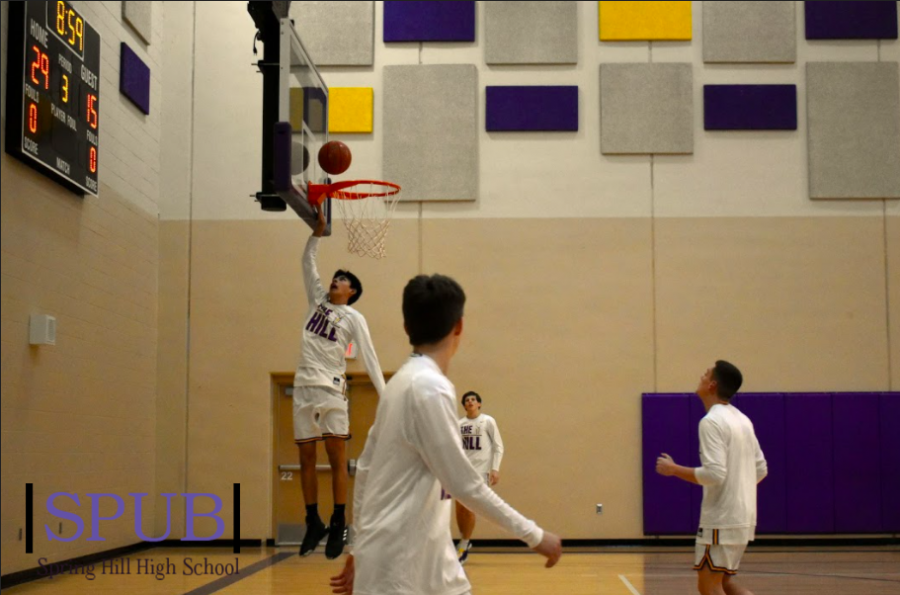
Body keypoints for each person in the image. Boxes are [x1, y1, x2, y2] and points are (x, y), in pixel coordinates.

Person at [331, 274, 561, 595]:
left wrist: (357, 547)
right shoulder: (429, 387)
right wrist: (535, 535)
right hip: (398, 569)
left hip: (430, 562)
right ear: (459, 327)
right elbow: (464, 484)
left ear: (406, 327)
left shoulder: (399, 384)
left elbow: (366, 470)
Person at [295, 205, 386, 559]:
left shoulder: (354, 317)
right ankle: (312, 520)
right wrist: (316, 232)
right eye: (335, 277)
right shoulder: (316, 301)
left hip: (332, 389)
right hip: (303, 387)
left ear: (352, 292)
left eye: (343, 280)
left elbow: (372, 356)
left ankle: (337, 522)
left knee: (336, 458)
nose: (336, 280)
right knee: (305, 457)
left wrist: (386, 395)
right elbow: (307, 262)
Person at [656, 361, 767, 595]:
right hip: (743, 518)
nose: (701, 376)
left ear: (712, 385)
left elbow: (715, 474)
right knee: (725, 584)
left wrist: (674, 469)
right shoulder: (742, 419)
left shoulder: (711, 421)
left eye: (706, 374)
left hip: (721, 520)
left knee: (709, 587)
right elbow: (761, 469)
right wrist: (736, 491)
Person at [455, 391, 505, 564]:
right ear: (464, 405)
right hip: (461, 471)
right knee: (459, 509)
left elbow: (498, 447)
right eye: (467, 400)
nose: (470, 402)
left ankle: (463, 544)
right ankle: (464, 540)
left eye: (473, 400)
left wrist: (495, 469)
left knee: (470, 508)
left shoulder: (487, 421)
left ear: (479, 404)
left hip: (479, 472)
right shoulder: (459, 424)